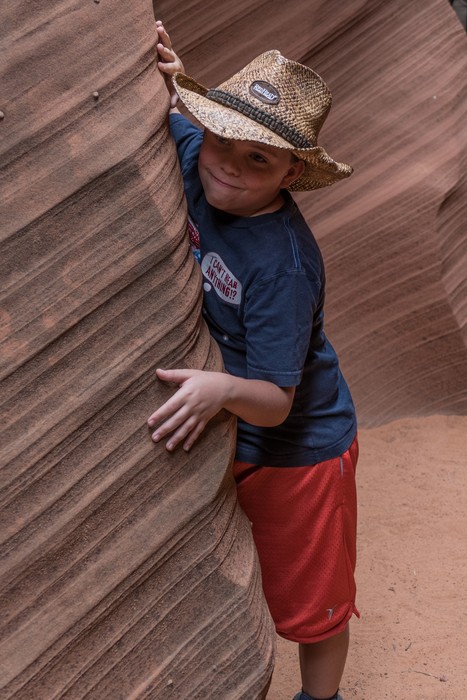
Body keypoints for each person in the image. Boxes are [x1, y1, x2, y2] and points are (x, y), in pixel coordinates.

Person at [148, 20, 359, 700]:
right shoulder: (194, 154)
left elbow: (275, 399)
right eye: (222, 142)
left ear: (292, 172)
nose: (228, 167)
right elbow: (173, 114)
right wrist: (165, 71)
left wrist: (217, 389)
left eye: (258, 161)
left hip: (300, 446)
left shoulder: (281, 266)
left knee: (310, 601)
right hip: (232, 421)